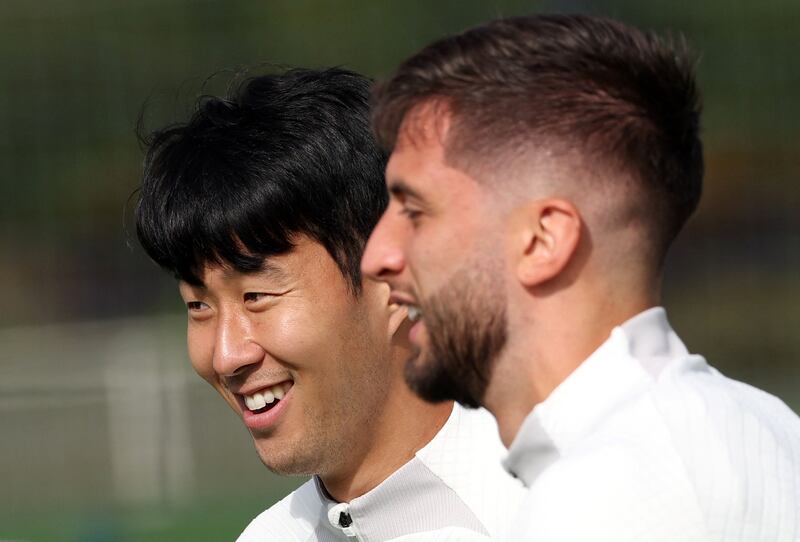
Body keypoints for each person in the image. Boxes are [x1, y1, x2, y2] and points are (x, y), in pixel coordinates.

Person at [362, 14, 800, 541]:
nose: (377, 256)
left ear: (544, 240)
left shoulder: (618, 495)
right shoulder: (760, 431)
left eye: (415, 211)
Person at [134, 67, 524, 541]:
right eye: (198, 306)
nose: (227, 355)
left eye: (256, 296)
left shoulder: (562, 507)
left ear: (394, 280)